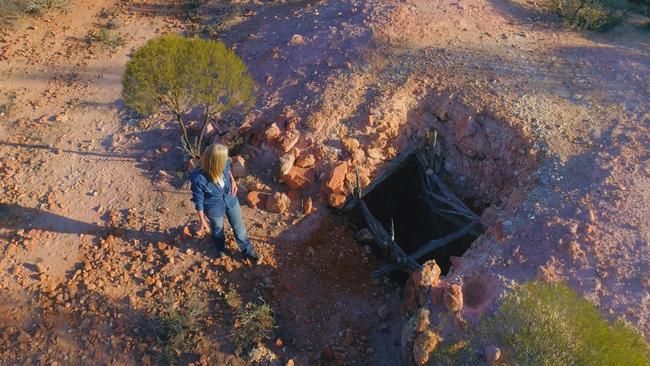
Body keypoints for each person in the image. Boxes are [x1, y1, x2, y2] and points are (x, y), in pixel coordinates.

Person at [190, 143, 261, 263]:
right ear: (215, 163)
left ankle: (247, 251)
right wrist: (202, 219)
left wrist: (233, 181)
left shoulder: (225, 162)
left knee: (239, 227)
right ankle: (220, 249)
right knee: (218, 230)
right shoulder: (198, 178)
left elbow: (228, 171)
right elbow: (199, 199)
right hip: (213, 207)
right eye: (224, 159)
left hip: (230, 199)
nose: (227, 160)